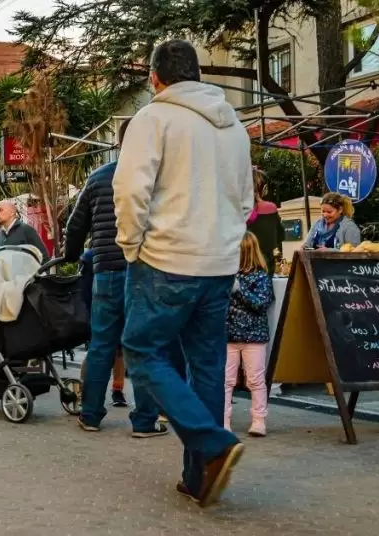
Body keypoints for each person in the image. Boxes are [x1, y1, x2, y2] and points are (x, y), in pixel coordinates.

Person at [113, 39, 252, 506]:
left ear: (155, 77)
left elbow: (131, 190)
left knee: (141, 351)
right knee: (208, 366)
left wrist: (132, 246)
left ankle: (213, 445)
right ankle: (200, 478)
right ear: (197, 73)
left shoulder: (153, 119)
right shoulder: (235, 126)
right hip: (219, 264)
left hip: (166, 261)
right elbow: (245, 200)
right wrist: (227, 246)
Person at [64, 119, 161, 435]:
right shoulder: (155, 177)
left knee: (101, 344)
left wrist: (71, 255)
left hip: (105, 270)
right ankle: (145, 420)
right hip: (144, 271)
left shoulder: (98, 178)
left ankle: (90, 414)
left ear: (118, 142)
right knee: (142, 345)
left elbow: (75, 226)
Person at [225, 232, 274, 437]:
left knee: (255, 379)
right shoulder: (225, 275)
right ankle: (223, 420)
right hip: (228, 335)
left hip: (253, 336)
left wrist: (238, 290)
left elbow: (261, 303)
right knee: (226, 381)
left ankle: (259, 420)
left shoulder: (261, 276)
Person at [247, 169, 284, 274]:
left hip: (241, 265)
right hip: (266, 265)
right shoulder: (270, 208)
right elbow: (280, 235)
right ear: (264, 189)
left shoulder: (238, 210)